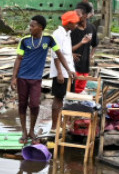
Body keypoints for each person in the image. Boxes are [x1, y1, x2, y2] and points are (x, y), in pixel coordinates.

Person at [10, 15, 74, 143]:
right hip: (22, 77)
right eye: (30, 25)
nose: (30, 28)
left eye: (32, 26)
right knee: (22, 104)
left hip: (36, 79)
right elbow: (18, 59)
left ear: (40, 28)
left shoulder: (48, 39)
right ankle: (24, 132)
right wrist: (13, 78)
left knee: (34, 104)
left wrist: (67, 69)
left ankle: (32, 130)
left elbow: (59, 54)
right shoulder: (24, 41)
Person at [49, 10, 80, 130]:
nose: (76, 25)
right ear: (68, 23)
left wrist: (71, 70)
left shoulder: (67, 34)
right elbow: (56, 54)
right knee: (58, 97)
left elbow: (66, 54)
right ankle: (54, 126)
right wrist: (60, 73)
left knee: (64, 98)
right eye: (75, 23)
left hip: (68, 71)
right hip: (61, 72)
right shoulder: (58, 34)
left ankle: (61, 124)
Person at [69, 1, 98, 93]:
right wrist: (71, 53)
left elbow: (95, 44)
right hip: (73, 66)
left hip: (85, 66)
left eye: (78, 15)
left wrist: (91, 55)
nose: (75, 17)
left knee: (80, 90)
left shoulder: (91, 28)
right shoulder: (72, 29)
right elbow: (62, 47)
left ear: (85, 15)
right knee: (70, 90)